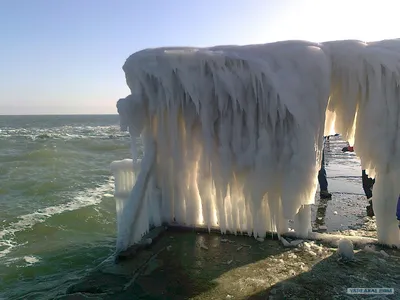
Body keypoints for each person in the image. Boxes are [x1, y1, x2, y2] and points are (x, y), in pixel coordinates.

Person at [342, 145, 375, 217]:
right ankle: (376, 204)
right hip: (381, 163)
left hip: (368, 163)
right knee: (375, 185)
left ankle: (373, 205)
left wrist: (349, 148)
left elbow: (361, 143)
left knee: (367, 186)